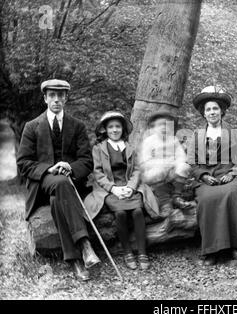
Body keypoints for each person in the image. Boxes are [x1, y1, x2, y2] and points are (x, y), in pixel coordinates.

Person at [17, 79, 100, 281]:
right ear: (45, 98)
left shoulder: (77, 126)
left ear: (66, 98)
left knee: (58, 199)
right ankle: (85, 244)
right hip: (43, 182)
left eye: (60, 96)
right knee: (59, 183)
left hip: (70, 185)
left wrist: (70, 167)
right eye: (52, 96)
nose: (56, 100)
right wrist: (49, 169)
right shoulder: (32, 126)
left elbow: (87, 161)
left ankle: (75, 261)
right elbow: (23, 162)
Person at [189, 86, 237, 266]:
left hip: (234, 175)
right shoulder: (196, 136)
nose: (212, 112)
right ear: (204, 114)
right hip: (208, 178)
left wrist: (232, 173)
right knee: (206, 198)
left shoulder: (235, 133)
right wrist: (203, 176)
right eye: (208, 109)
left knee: (232, 194)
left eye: (215, 109)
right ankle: (212, 250)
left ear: (222, 111)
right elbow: (193, 163)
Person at [84, 111, 160, 270]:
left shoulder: (130, 147)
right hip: (109, 188)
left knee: (138, 211)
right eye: (110, 127)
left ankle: (142, 252)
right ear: (105, 129)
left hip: (130, 185)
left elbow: (136, 170)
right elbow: (98, 173)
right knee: (120, 213)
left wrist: (131, 187)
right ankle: (127, 252)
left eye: (117, 126)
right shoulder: (98, 149)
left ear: (123, 129)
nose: (114, 130)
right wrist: (113, 189)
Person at [138, 111, 195, 215]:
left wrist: (176, 163)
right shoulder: (149, 141)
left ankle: (176, 196)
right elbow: (144, 161)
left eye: (166, 125)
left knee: (184, 167)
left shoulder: (173, 140)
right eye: (160, 125)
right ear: (153, 127)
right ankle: (165, 204)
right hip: (154, 171)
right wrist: (163, 164)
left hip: (172, 170)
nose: (163, 127)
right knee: (158, 173)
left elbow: (181, 156)